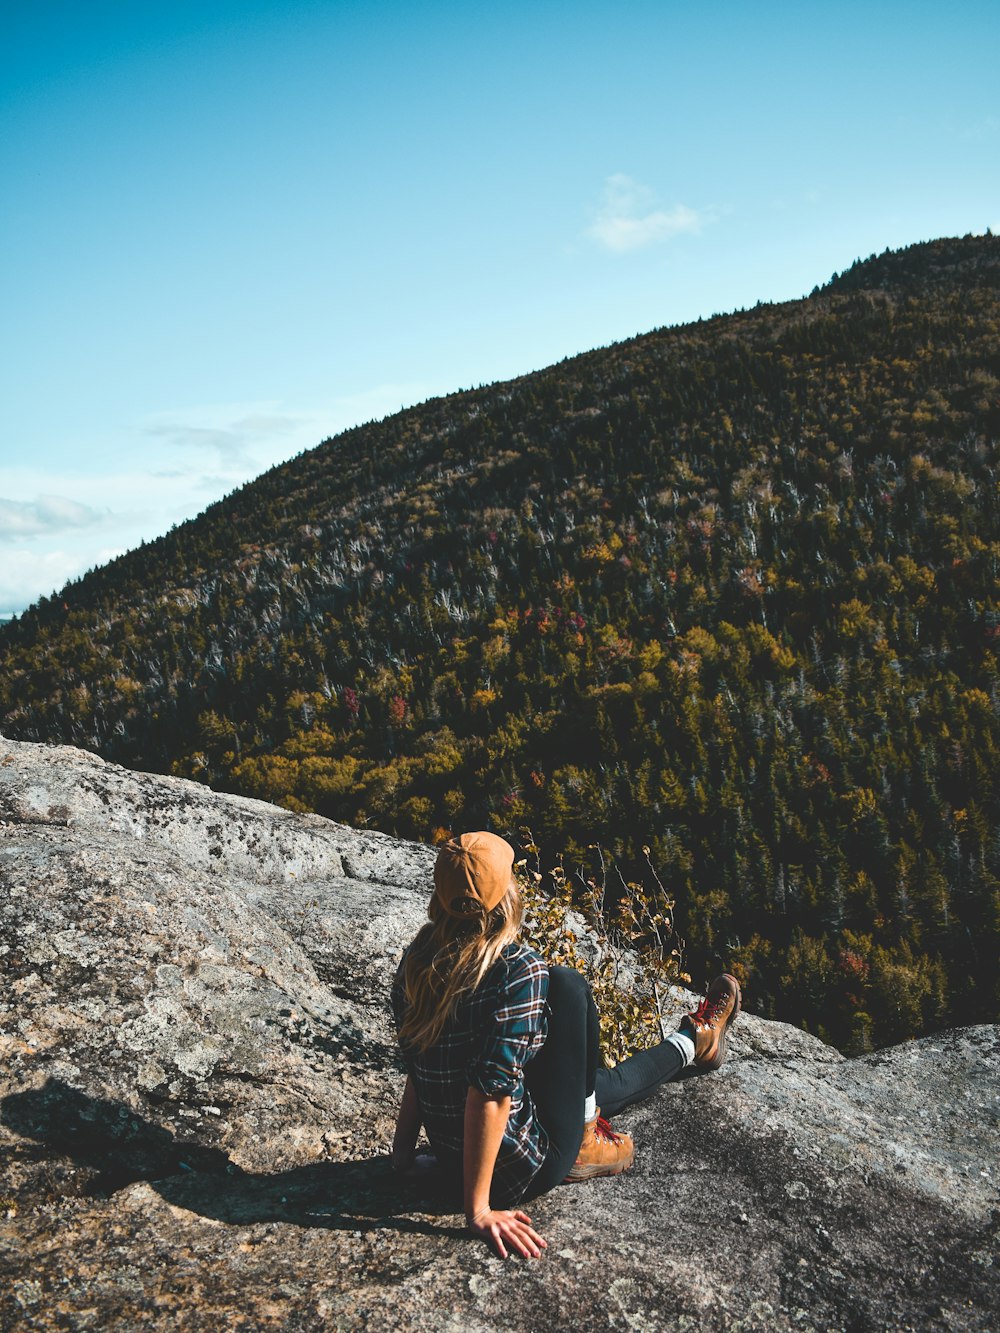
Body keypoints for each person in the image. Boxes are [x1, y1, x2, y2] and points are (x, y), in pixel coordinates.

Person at [390, 831, 740, 1259]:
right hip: (520, 1170)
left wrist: (403, 1159)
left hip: (453, 1156)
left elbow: (419, 1060)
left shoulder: (419, 960)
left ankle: (694, 1042)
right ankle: (587, 1139)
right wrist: (478, 1210)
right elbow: (489, 1093)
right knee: (569, 986)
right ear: (506, 896)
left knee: (591, 1083)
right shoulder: (518, 970)